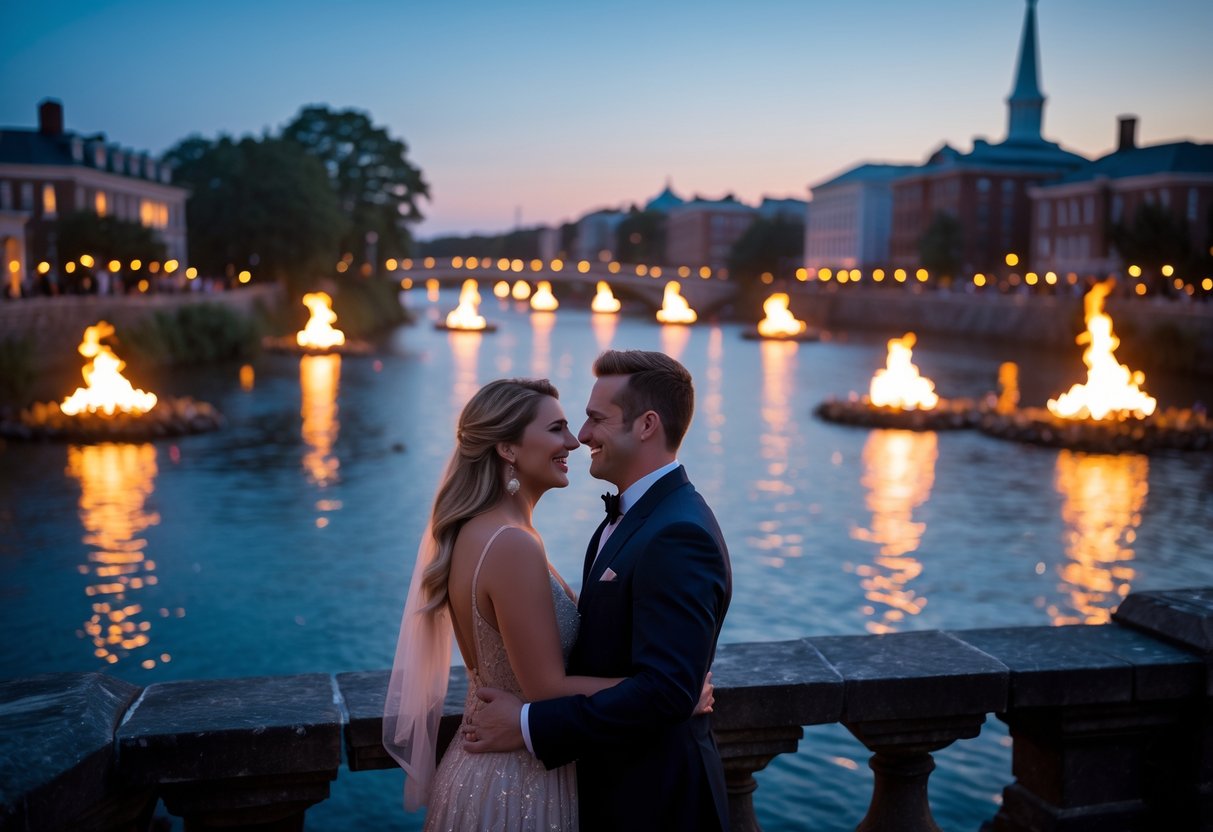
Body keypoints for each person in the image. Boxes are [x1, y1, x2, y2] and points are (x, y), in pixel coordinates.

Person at [383, 377, 714, 830]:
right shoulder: (511, 544)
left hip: (493, 767)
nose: (574, 441)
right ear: (508, 448)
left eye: (580, 424)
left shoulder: (478, 531)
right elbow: (544, 688)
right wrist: (676, 695)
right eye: (556, 429)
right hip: (513, 781)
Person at [464, 350, 733, 832]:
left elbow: (667, 690)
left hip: (657, 803)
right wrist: (677, 692)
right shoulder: (625, 520)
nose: (581, 436)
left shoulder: (678, 533)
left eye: (595, 419)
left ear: (647, 425)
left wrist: (527, 725)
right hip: (604, 789)